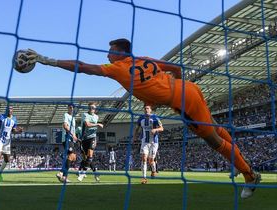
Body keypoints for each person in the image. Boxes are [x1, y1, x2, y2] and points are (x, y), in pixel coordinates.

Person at [26, 38, 261, 198]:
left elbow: (83, 67)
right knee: (217, 129)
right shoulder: (144, 59)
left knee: (213, 141)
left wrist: (49, 61)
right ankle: (239, 164)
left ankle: (250, 175)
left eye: (110, 51)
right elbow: (176, 69)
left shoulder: (117, 68)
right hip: (187, 89)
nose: (108, 54)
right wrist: (167, 92)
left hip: (183, 100)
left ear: (119, 52)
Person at [0, 105, 23, 183]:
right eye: (7, 109)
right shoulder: (1, 117)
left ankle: (0, 172)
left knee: (7, 159)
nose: (9, 110)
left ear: (12, 110)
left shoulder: (14, 119)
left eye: (10, 109)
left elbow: (13, 130)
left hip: (8, 141)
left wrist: (19, 131)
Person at [133, 105, 164, 184]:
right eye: (145, 108)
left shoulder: (155, 118)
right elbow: (137, 128)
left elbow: (162, 128)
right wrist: (134, 137)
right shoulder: (141, 118)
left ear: (151, 110)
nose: (146, 110)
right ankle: (144, 178)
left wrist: (155, 129)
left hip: (154, 142)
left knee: (151, 160)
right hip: (144, 142)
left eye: (148, 108)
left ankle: (153, 170)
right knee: (144, 159)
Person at [77, 102, 103, 182]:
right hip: (84, 139)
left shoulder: (96, 116)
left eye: (93, 108)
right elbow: (87, 124)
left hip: (92, 138)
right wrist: (98, 124)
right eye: (90, 107)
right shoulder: (85, 115)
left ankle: (82, 173)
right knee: (87, 158)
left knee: (90, 155)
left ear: (95, 109)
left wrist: (95, 139)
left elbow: (94, 129)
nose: (92, 109)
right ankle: (95, 173)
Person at [56, 104, 78, 183]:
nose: (72, 109)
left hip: (71, 140)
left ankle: (64, 176)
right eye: (70, 107)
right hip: (67, 138)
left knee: (73, 157)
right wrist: (73, 135)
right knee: (72, 156)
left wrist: (75, 137)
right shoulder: (66, 115)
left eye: (73, 108)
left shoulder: (73, 118)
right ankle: (61, 173)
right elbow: (65, 126)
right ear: (68, 108)